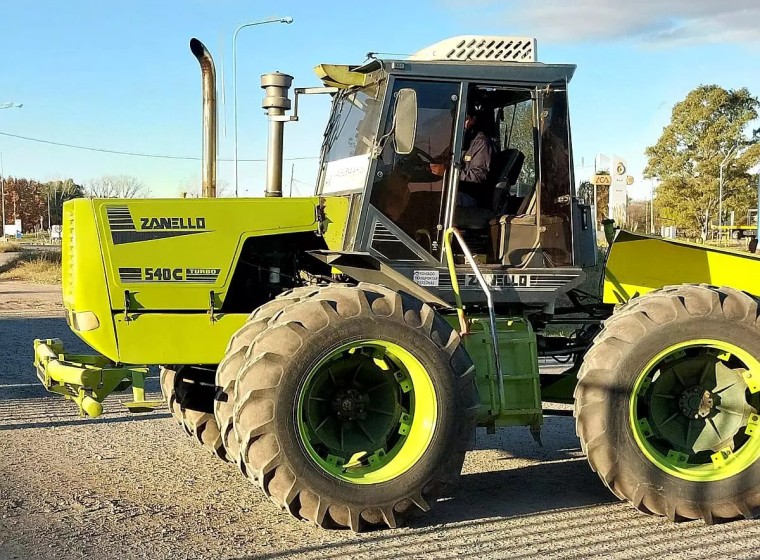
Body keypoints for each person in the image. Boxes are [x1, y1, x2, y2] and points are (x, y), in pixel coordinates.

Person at [430, 108, 497, 209]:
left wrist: (447, 172)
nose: (460, 124)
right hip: (455, 191)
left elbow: (478, 176)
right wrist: (428, 165)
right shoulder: (458, 143)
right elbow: (441, 160)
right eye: (457, 119)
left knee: (429, 201)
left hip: (472, 198)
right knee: (419, 196)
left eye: (464, 119)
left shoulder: (481, 143)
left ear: (473, 120)